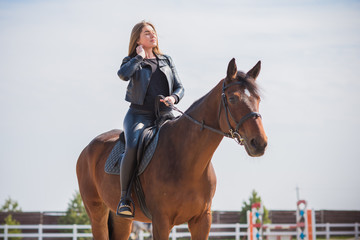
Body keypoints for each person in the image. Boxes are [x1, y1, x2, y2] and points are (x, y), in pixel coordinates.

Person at [116, 20, 185, 218]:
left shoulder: (166, 60)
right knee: (133, 144)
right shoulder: (131, 61)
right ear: (137, 39)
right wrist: (138, 58)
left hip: (165, 116)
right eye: (147, 33)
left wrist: (174, 97)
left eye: (153, 32)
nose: (153, 35)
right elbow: (122, 75)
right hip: (138, 116)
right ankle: (124, 198)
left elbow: (180, 87)